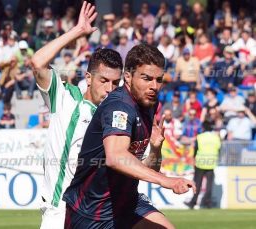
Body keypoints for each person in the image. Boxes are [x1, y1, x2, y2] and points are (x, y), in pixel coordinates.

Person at [63, 44, 196, 228]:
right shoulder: (119, 106)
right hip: (91, 213)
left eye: (159, 80)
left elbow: (143, 168)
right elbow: (116, 157)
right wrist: (168, 181)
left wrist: (156, 149)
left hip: (127, 203)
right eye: (146, 78)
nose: (154, 86)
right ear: (127, 77)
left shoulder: (149, 104)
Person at [31, 2, 123, 228]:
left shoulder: (117, 117)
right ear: (89, 78)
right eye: (104, 81)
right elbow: (37, 62)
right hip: (58, 213)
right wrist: (77, 32)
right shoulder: (65, 98)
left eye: (115, 83)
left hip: (93, 215)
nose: (110, 89)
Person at [184, 121, 221, 209]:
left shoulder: (200, 137)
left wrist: (194, 159)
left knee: (197, 184)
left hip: (200, 163)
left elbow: (196, 149)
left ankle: (193, 202)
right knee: (209, 184)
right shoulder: (216, 137)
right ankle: (207, 202)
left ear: (203, 128)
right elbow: (219, 149)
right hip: (211, 163)